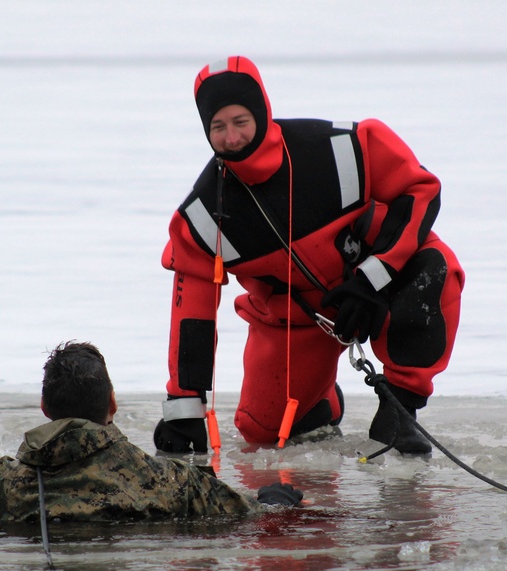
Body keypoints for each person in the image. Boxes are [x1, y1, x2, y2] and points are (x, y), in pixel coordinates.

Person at [154, 56, 465, 455]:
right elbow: (191, 315)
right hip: (299, 319)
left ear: (263, 113)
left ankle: (400, 406)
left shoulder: (341, 148)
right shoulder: (199, 218)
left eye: (240, 121)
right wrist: (185, 407)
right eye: (218, 126)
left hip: (380, 284)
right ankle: (322, 401)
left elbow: (420, 190)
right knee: (261, 431)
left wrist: (373, 277)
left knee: (434, 268)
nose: (231, 137)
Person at [0, 342, 302, 522]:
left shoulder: (0, 485)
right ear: (112, 406)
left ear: (43, 409)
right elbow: (245, 513)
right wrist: (274, 502)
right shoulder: (170, 481)